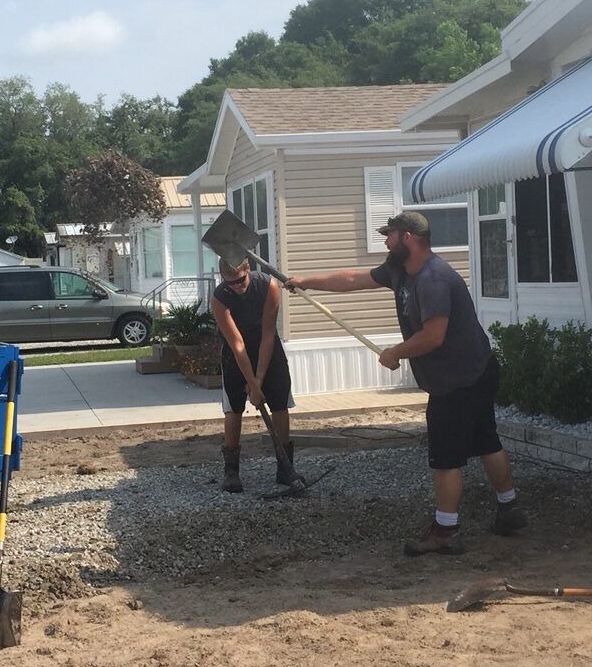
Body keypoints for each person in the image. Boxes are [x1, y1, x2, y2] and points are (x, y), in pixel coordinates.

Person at [287, 211, 523, 555]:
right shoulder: (400, 271)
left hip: (460, 378)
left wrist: (395, 352)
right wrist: (306, 280)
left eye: (390, 234)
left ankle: (446, 530)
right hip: (474, 369)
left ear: (408, 237)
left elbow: (434, 336)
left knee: (447, 457)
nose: (385, 240)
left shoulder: (433, 279)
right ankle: (509, 508)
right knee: (487, 441)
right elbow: (353, 279)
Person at [210, 257, 298, 493]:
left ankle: (285, 468)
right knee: (233, 409)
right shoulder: (220, 298)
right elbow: (237, 344)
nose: (237, 287)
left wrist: (258, 381)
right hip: (235, 354)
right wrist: (251, 382)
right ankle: (231, 472)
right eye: (231, 284)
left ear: (248, 269)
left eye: (240, 280)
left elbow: (268, 334)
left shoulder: (267, 286)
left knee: (280, 405)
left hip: (268, 348)